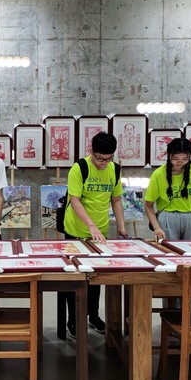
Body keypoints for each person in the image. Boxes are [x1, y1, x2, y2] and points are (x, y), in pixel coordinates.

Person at [63, 132, 128, 338]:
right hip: (76, 230)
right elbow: (75, 200)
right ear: (92, 151)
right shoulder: (80, 168)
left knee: (95, 276)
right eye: (100, 159)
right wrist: (90, 225)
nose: (103, 163)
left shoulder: (114, 169)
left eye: (108, 159)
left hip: (100, 232)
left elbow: (116, 199)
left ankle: (93, 315)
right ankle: (73, 319)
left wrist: (121, 225)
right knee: (74, 277)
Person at [145, 138, 191, 242]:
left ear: (190, 157)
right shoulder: (158, 174)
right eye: (176, 158)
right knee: (168, 249)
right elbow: (148, 205)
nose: (180, 162)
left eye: (185, 159)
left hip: (190, 217)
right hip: (167, 218)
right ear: (169, 155)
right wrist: (157, 228)